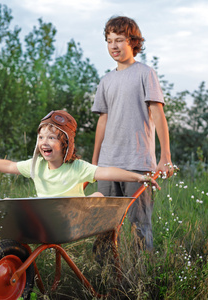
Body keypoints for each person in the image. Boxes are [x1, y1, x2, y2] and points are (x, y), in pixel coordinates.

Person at [91, 16, 173, 258]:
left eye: (119, 40)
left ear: (133, 42)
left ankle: (141, 275)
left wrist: (165, 156)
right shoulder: (106, 80)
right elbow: (102, 120)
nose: (114, 46)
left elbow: (158, 115)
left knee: (140, 225)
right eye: (109, 41)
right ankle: (104, 275)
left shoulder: (145, 74)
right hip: (107, 165)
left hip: (138, 162)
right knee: (104, 225)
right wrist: (94, 163)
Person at [0, 110, 159, 198]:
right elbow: (9, 166)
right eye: (41, 137)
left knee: (97, 195)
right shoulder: (36, 166)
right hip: (48, 221)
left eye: (52, 138)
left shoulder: (78, 168)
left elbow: (108, 173)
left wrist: (139, 176)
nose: (45, 142)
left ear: (65, 145)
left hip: (72, 220)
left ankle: (95, 202)